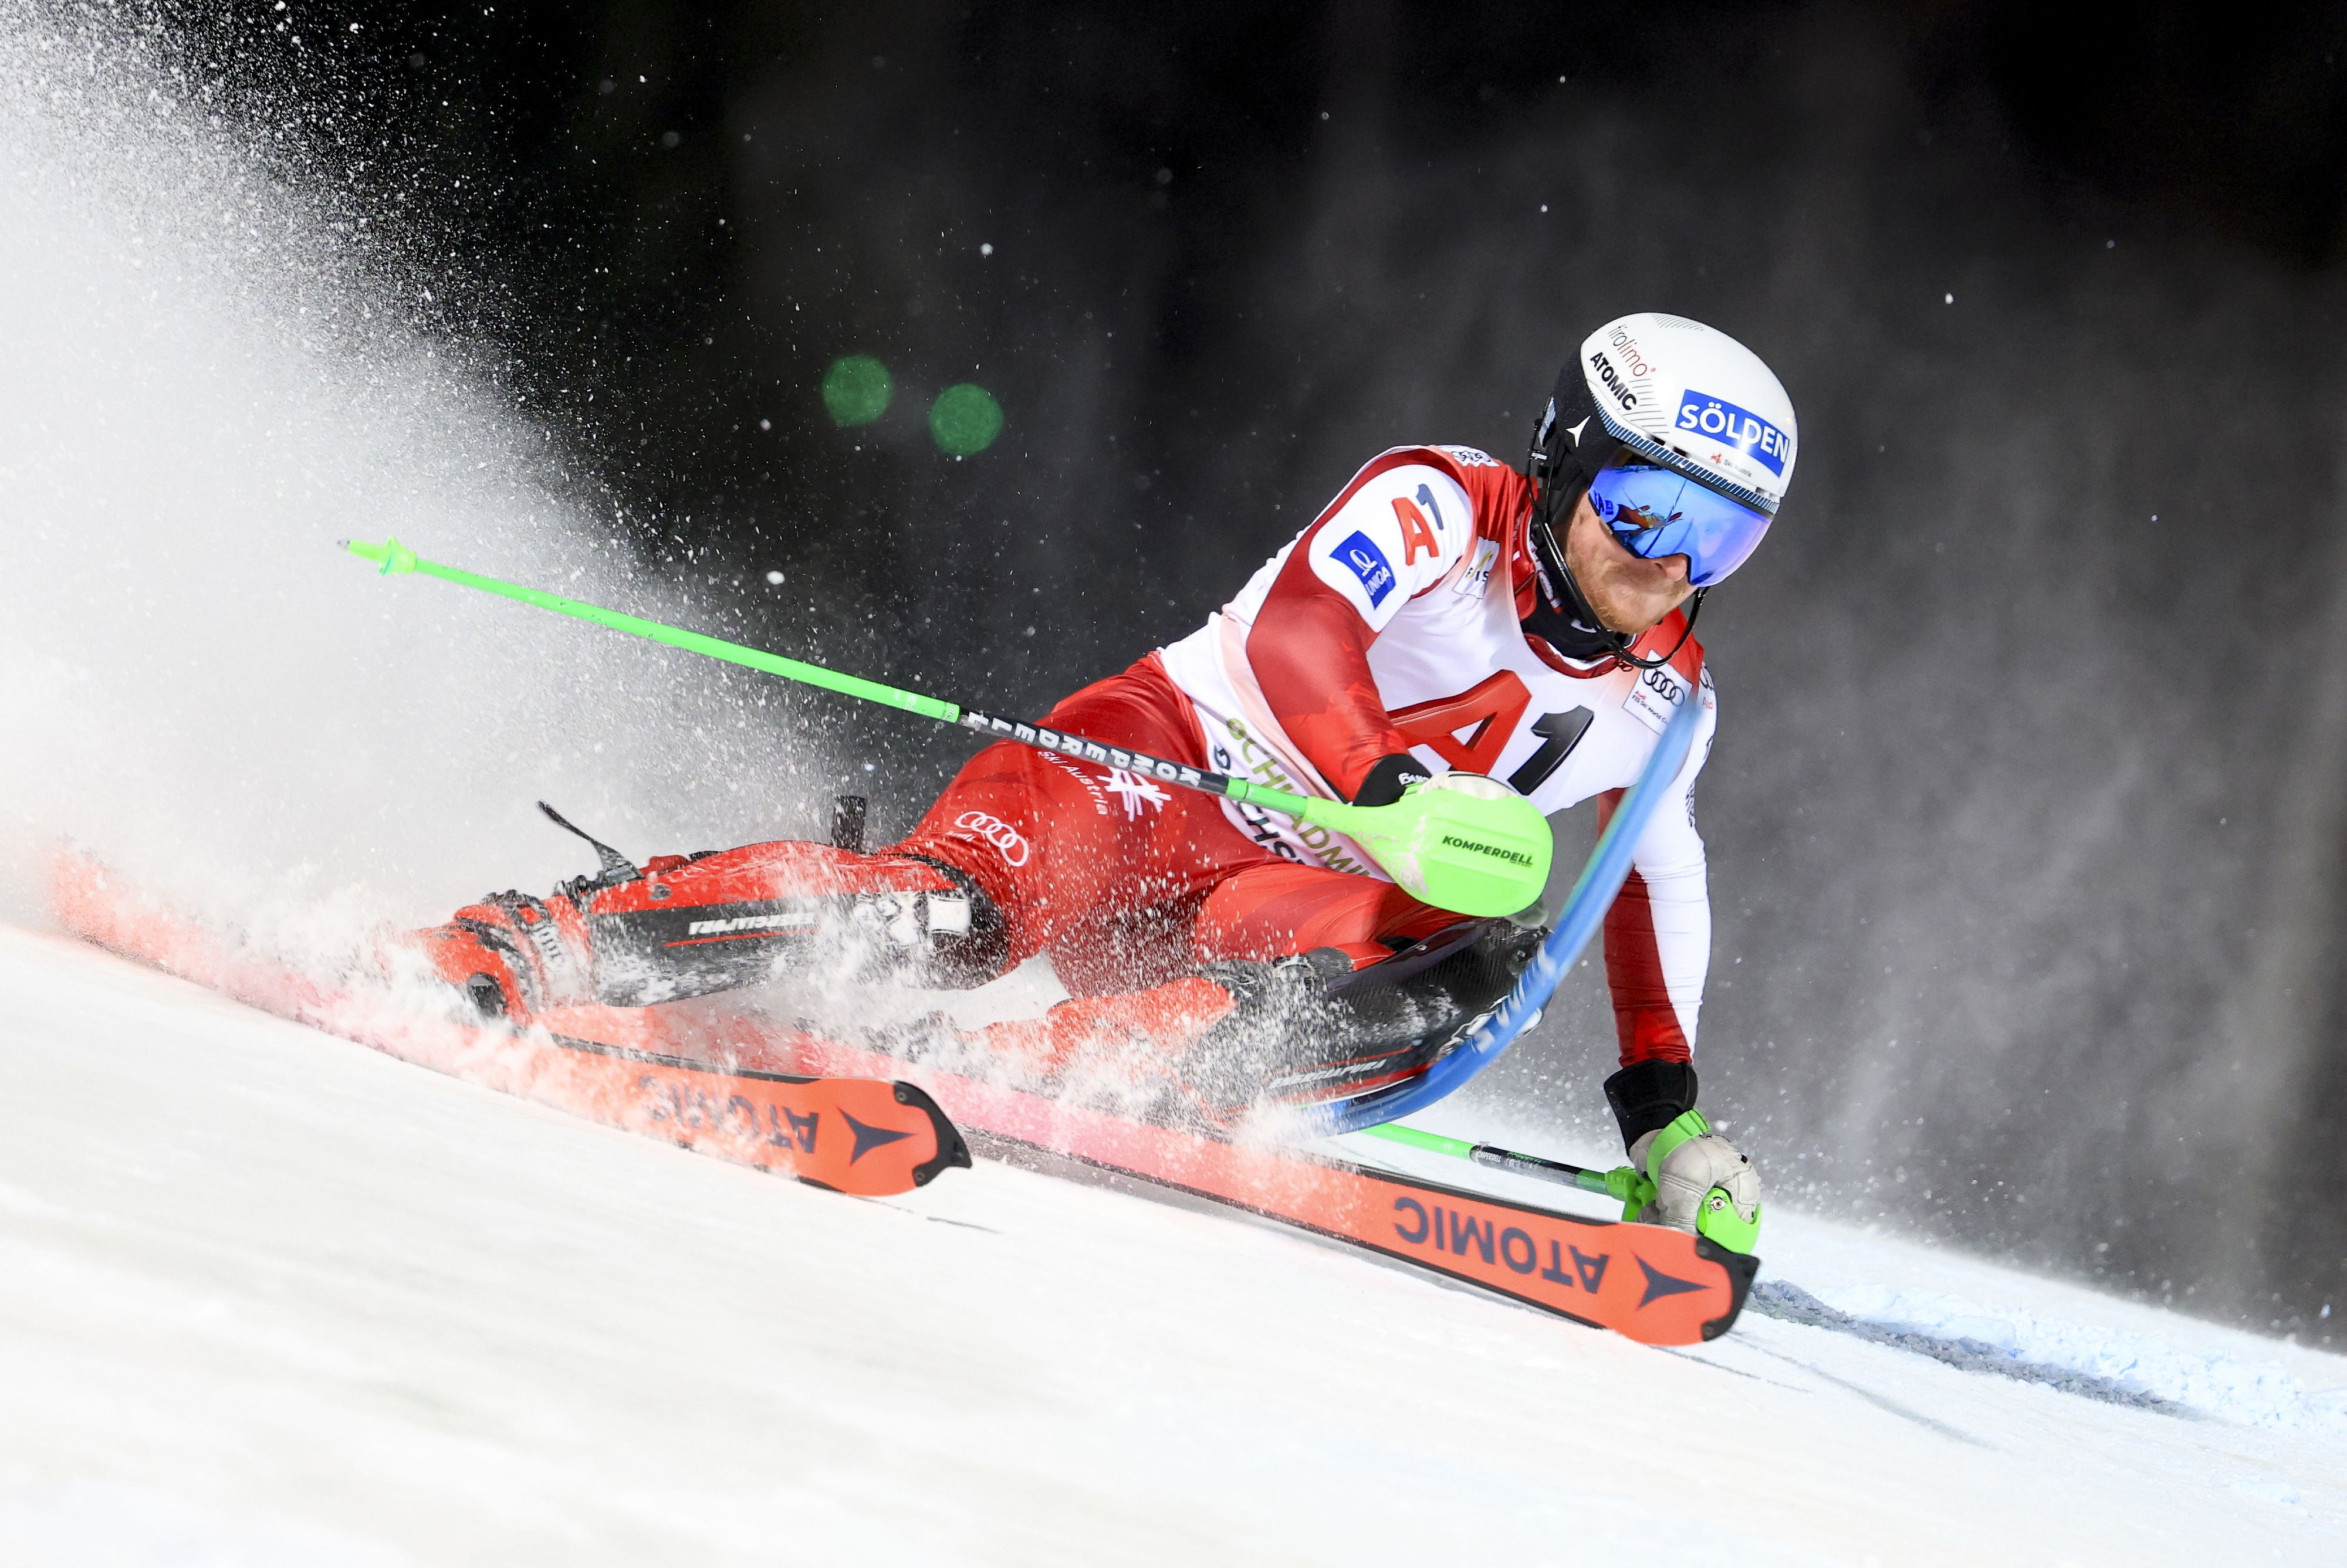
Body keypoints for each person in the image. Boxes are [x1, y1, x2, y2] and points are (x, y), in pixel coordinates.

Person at [411, 311, 1790, 1237]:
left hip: (1260, 912)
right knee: (941, 921)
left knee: (1473, 961)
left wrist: (1661, 1119)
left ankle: (984, 1071)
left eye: (1716, 540)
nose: (1664, 563)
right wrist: (1384, 795)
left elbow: (1647, 879)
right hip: (1146, 773)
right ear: (1566, 460)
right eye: (1644, 504)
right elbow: (1303, 630)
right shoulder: (1437, 498)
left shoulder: (1671, 700)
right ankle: (547, 941)